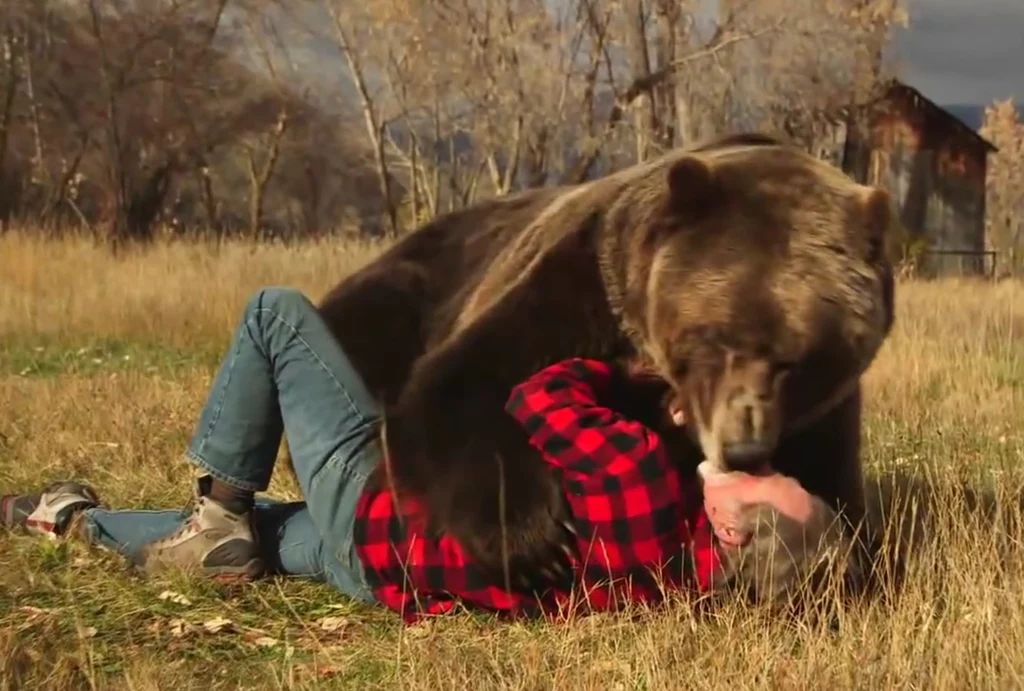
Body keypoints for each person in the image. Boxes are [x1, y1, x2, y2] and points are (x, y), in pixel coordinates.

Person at [0, 287, 836, 623]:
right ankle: (72, 519)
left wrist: (636, 373)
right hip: (385, 575)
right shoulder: (669, 593)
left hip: (380, 502)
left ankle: (216, 507)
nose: (771, 466)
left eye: (777, 483)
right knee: (257, 542)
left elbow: (537, 399)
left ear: (732, 527)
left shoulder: (648, 482)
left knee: (277, 313)